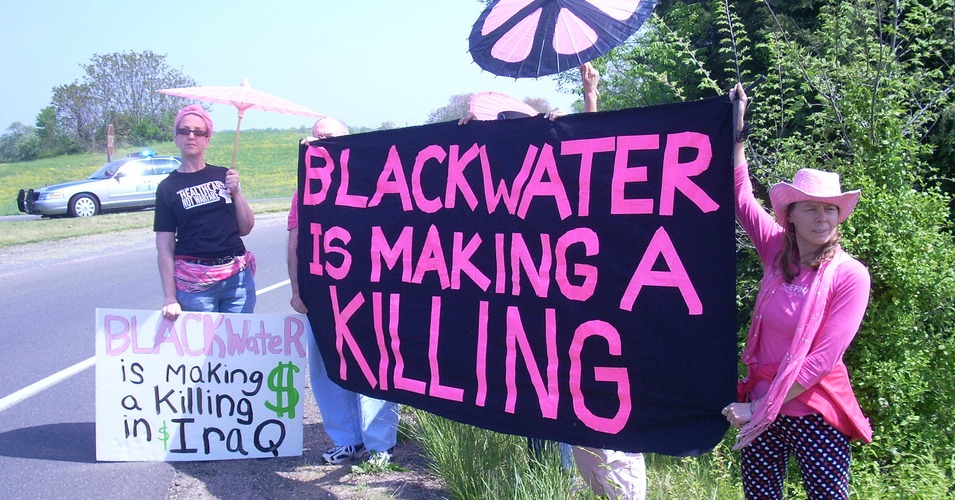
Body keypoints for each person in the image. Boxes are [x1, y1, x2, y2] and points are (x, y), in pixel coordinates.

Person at [723, 82, 873, 499]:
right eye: (811, 207)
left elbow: (820, 362)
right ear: (790, 214)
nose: (822, 217)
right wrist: (738, 125)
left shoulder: (850, 276)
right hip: (759, 396)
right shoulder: (775, 249)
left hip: (814, 406)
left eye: (830, 208)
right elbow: (741, 197)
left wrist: (759, 408)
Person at [288, 116, 400, 466]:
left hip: (367, 295)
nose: (323, 142)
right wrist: (296, 289)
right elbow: (295, 239)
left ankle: (380, 445)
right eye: (317, 137)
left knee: (373, 364)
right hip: (321, 295)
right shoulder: (305, 187)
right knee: (325, 368)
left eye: (331, 138)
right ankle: (346, 440)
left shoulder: (368, 178)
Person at [154, 104, 256, 321]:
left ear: (207, 139)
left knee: (238, 349)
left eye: (199, 132)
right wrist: (169, 297)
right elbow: (165, 246)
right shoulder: (167, 187)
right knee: (204, 354)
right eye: (185, 130)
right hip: (195, 286)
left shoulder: (223, 175)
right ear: (176, 137)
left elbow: (246, 228)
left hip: (237, 279)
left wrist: (237, 192)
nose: (191, 136)